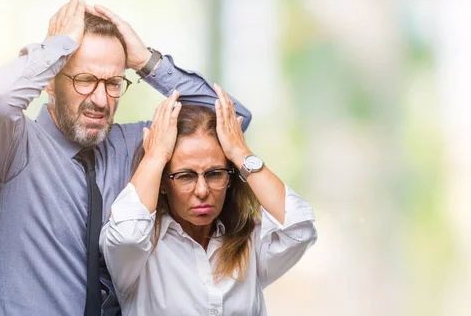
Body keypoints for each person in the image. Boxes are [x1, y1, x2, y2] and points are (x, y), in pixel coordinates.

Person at [0, 0, 251, 315]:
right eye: (86, 80)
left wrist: (146, 62)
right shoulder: (9, 146)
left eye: (113, 83)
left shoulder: (136, 145)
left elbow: (231, 119)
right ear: (50, 80)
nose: (101, 99)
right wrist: (57, 47)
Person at [100, 91, 317, 315]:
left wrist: (240, 152)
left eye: (214, 174)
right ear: (163, 183)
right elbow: (126, 237)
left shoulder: (250, 242)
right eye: (185, 176)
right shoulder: (141, 249)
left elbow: (299, 228)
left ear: (231, 176)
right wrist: (154, 157)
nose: (202, 191)